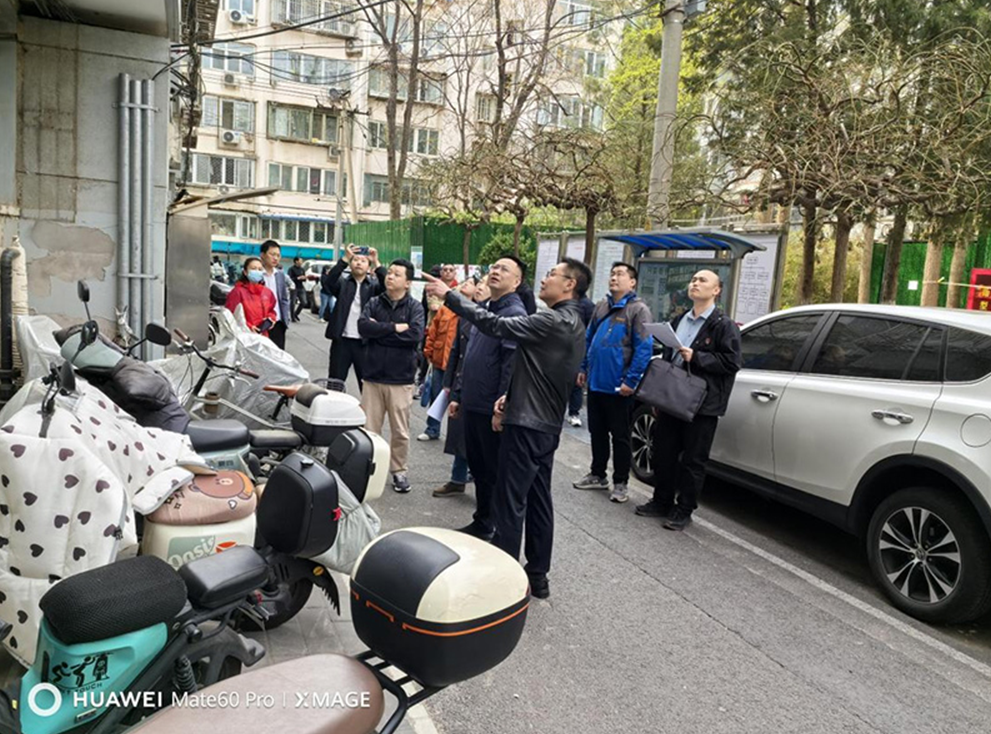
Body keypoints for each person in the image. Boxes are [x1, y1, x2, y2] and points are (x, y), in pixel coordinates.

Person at [425, 258, 590, 600]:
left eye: (552, 274)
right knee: (538, 500)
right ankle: (537, 576)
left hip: (527, 424)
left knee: (509, 500)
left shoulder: (552, 319)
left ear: (570, 284)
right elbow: (540, 370)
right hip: (543, 423)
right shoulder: (571, 320)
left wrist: (451, 296)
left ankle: (504, 583)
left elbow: (495, 325)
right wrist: (510, 396)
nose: (544, 279)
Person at [635, 269, 742, 531]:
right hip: (672, 397)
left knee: (693, 460)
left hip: (702, 404)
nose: (695, 283)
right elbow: (669, 356)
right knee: (664, 453)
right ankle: (661, 501)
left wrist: (697, 357)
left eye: (702, 280)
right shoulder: (680, 319)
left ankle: (684, 509)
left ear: (716, 290)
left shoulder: (723, 325)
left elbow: (731, 362)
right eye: (693, 280)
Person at [441, 257, 526, 534]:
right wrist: (458, 394)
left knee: (492, 470)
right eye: (494, 268)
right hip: (473, 402)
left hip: (491, 407)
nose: (496, 272)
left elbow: (510, 365)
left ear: (517, 281)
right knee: (478, 467)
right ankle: (483, 520)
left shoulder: (513, 313)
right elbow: (469, 356)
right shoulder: (486, 309)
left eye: (504, 269)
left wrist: (501, 406)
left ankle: (492, 525)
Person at [573, 262, 653, 503]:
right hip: (596, 382)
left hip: (620, 387)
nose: (614, 278)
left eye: (620, 274)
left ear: (632, 282)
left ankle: (620, 482)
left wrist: (631, 380)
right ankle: (598, 474)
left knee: (620, 436)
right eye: (612, 274)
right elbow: (588, 338)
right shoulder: (602, 306)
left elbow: (644, 348)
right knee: (596, 432)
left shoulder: (638, 310)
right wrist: (583, 367)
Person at [359, 259, 424, 494]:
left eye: (397, 274)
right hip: (373, 376)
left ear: (407, 282)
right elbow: (363, 327)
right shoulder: (374, 302)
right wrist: (395, 328)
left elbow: (414, 336)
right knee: (369, 429)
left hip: (401, 378)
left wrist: (379, 330)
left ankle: (399, 471)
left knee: (400, 431)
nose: (390, 276)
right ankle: (368, 471)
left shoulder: (415, 307)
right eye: (390, 273)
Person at [433, 276, 484, 498]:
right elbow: (456, 350)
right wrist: (448, 382)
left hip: (479, 385)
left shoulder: (493, 318)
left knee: (478, 440)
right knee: (459, 433)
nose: (480, 288)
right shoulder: (466, 315)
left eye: (482, 285)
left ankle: (482, 487)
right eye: (478, 285)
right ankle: (457, 479)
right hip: (460, 380)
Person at [324, 245, 385, 390]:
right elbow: (329, 281)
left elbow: (386, 286)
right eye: (355, 260)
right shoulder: (343, 284)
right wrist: (344, 258)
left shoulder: (373, 287)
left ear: (368, 267)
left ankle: (367, 407)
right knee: (335, 383)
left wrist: (376, 262)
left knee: (367, 386)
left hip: (365, 343)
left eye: (363, 261)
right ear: (350, 264)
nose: (359, 263)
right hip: (342, 341)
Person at [418, 280, 462, 442]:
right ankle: (432, 429)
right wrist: (429, 352)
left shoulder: (470, 313)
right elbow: (432, 332)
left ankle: (454, 437)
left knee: (456, 402)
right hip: (439, 361)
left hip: (458, 366)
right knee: (435, 396)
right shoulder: (444, 310)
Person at [224, 257, 277, 336]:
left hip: (262, 336)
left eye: (260, 269)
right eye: (253, 268)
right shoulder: (237, 292)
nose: (257, 271)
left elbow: (271, 310)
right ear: (245, 272)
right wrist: (249, 326)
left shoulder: (267, 292)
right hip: (243, 336)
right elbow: (229, 315)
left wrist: (271, 319)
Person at [566, 285, 596, 427]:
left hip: (578, 348)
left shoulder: (587, 305)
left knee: (576, 382)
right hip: (564, 347)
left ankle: (574, 412)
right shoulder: (566, 302)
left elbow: (591, 329)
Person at [259, 240, 292, 350]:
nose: (276, 258)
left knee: (278, 354)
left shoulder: (280, 275)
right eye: (272, 254)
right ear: (262, 255)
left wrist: (285, 319)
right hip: (260, 322)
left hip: (278, 322)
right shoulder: (256, 274)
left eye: (278, 255)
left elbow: (283, 298)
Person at [288, 256, 308, 322]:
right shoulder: (291, 269)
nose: (301, 262)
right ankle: (292, 317)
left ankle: (296, 313)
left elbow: (304, 278)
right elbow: (289, 279)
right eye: (300, 261)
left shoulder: (302, 269)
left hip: (301, 287)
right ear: (296, 261)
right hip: (294, 287)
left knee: (304, 302)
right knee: (293, 302)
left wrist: (304, 278)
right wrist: (297, 278)